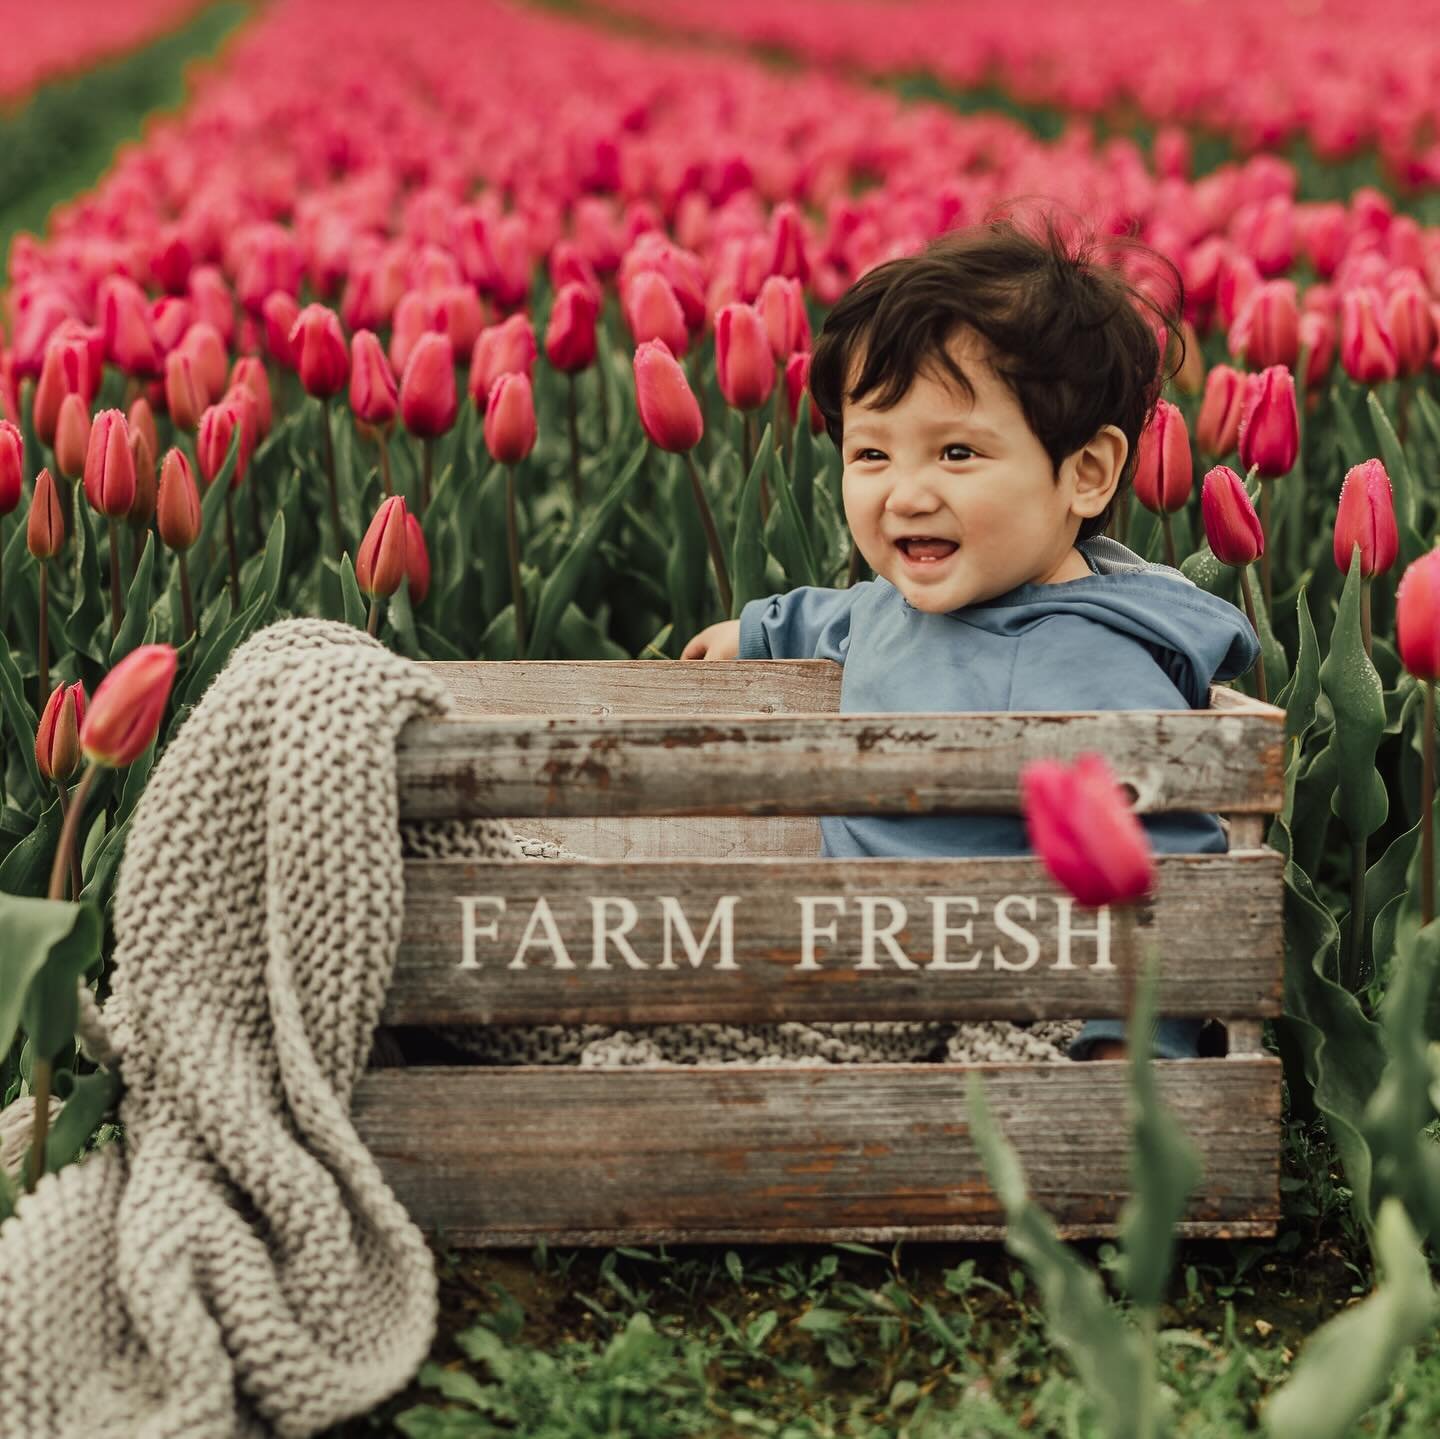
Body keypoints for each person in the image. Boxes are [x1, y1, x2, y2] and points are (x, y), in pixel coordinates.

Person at [680, 212, 1260, 1061]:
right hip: (852, 960)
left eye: (956, 452)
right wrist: (758, 630)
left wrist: (1123, 1048)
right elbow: (839, 618)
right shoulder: (904, 601)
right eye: (872, 454)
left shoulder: (1084, 661)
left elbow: (1161, 865)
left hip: (980, 996)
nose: (906, 494)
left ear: (1086, 473)